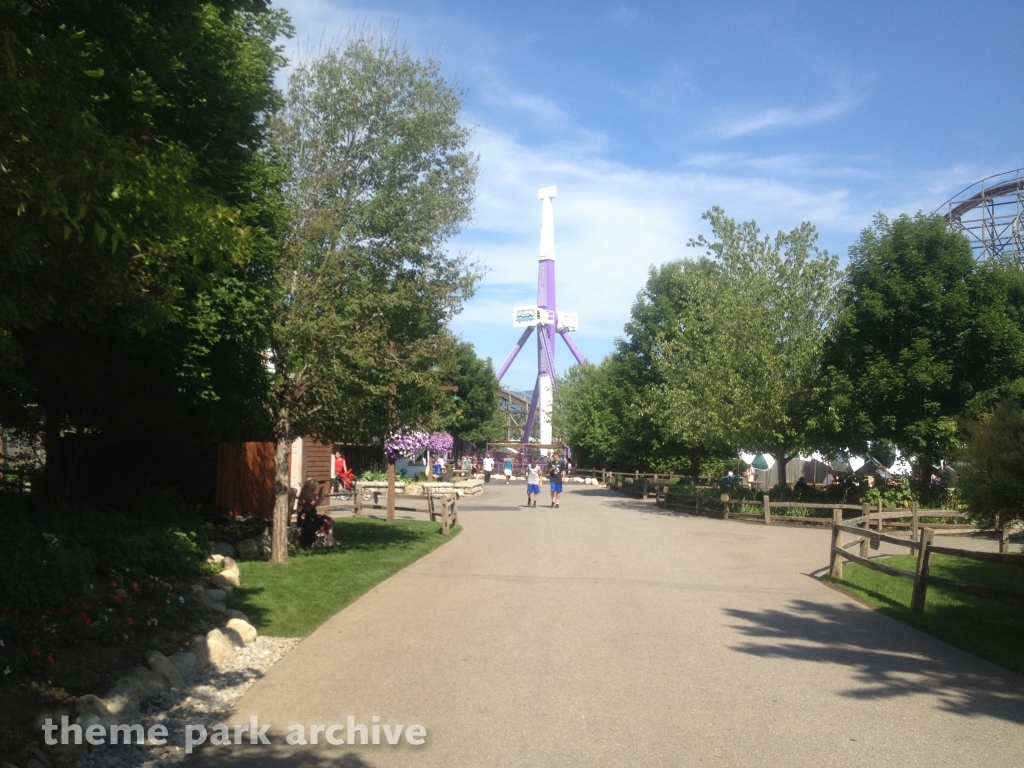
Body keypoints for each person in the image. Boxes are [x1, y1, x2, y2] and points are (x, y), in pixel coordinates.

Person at [295, 479, 333, 548]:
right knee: (327, 521)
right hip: (306, 518)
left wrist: (321, 491)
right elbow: (315, 503)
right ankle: (329, 540)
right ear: (311, 486)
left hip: (310, 515)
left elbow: (317, 499)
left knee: (329, 520)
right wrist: (324, 496)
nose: (316, 487)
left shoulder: (309, 493)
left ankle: (330, 540)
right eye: (315, 486)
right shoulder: (306, 494)